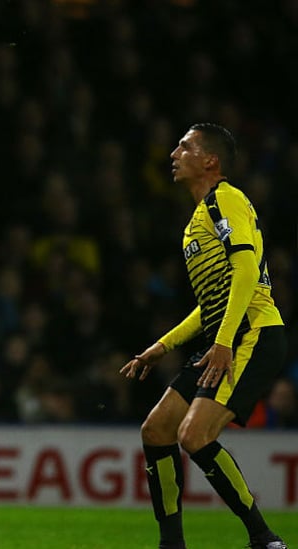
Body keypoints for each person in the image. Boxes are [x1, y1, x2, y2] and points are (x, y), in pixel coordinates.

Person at [120, 123, 288, 549]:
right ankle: (171, 544)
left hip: (252, 334)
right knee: (156, 430)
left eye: (185, 146)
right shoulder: (198, 219)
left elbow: (248, 272)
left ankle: (263, 539)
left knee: (193, 436)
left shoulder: (225, 199)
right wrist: (162, 346)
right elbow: (210, 303)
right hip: (224, 337)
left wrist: (224, 342)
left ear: (209, 161)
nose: (174, 153)